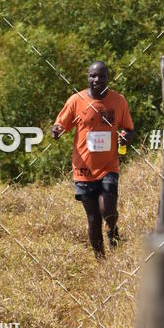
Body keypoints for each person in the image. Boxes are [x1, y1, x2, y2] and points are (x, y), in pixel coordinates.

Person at [51, 61, 135, 258]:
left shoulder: (118, 101)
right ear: (87, 77)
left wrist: (126, 137)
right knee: (93, 219)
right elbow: (60, 126)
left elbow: (129, 129)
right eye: (93, 76)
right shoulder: (76, 101)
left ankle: (113, 232)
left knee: (109, 209)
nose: (97, 80)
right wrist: (56, 131)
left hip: (109, 166)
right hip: (83, 170)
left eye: (101, 76)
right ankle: (102, 261)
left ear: (108, 77)